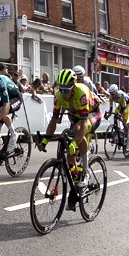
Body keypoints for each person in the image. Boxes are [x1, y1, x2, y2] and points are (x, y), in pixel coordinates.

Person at [39, 69, 100, 206]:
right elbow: (53, 121)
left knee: (78, 131)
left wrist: (74, 143)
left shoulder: (81, 92)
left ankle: (85, 171)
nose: (64, 93)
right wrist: (45, 140)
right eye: (61, 90)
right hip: (77, 116)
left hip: (92, 114)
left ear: (73, 87)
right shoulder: (58, 95)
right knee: (69, 155)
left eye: (66, 90)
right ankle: (75, 182)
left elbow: (84, 124)